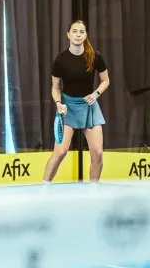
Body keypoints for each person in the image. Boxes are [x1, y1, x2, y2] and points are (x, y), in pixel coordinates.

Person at [42, 20, 110, 184]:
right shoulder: (61, 60)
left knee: (97, 153)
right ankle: (43, 188)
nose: (78, 35)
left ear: (86, 35)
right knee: (60, 152)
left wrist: (96, 94)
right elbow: (55, 87)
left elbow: (105, 81)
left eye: (81, 32)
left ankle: (94, 190)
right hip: (67, 108)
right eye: (74, 31)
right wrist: (58, 103)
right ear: (68, 34)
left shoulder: (95, 56)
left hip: (89, 106)